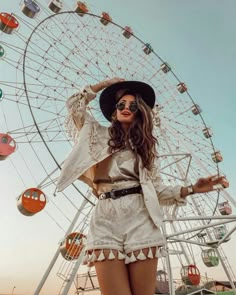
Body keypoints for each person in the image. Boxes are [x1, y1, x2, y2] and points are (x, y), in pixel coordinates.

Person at [56, 77, 229, 295]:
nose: (126, 108)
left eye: (133, 106)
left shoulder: (146, 149)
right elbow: (74, 106)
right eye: (121, 104)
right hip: (105, 218)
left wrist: (192, 188)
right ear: (114, 110)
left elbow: (156, 190)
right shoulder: (96, 134)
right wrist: (103, 86)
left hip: (141, 218)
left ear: (141, 112)